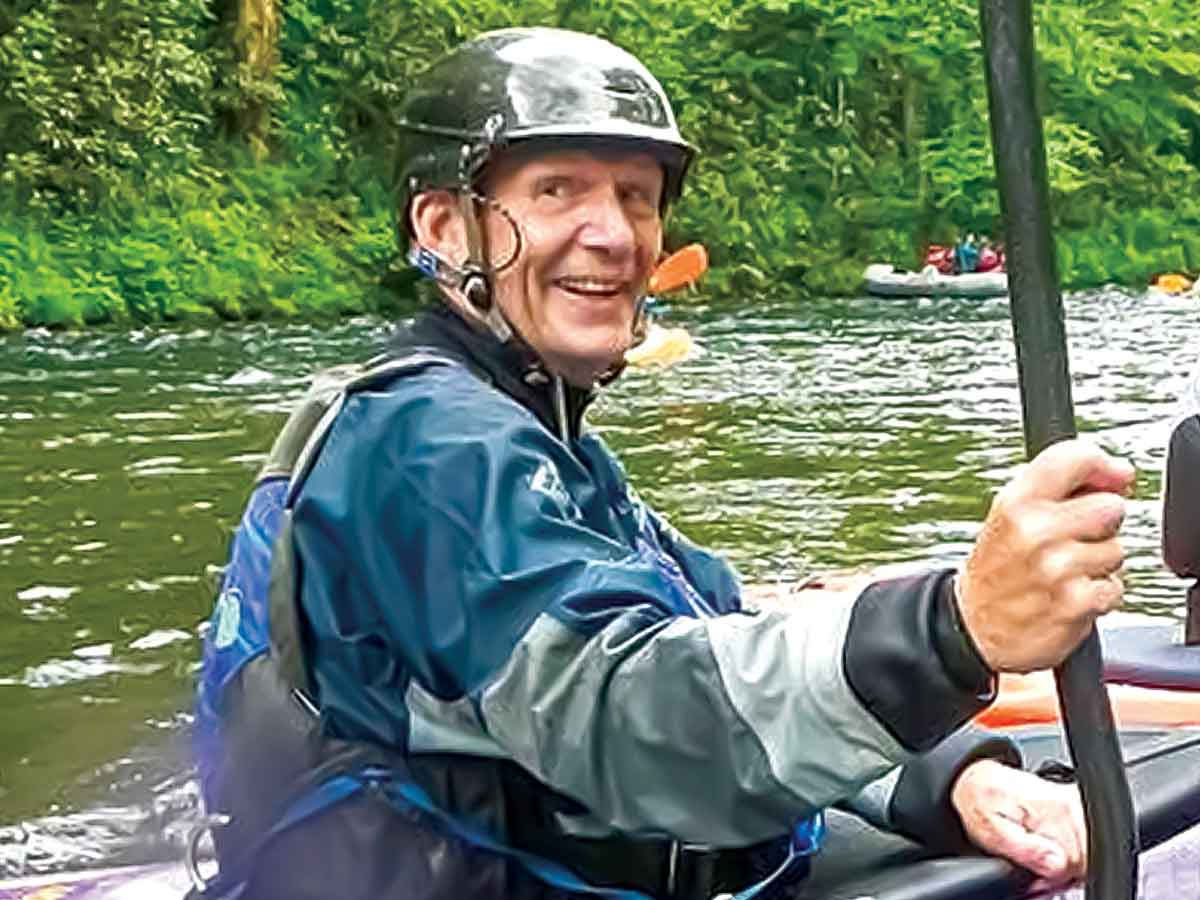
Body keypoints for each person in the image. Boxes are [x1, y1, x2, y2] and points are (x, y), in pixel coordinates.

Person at [193, 28, 1133, 900]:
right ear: (443, 227)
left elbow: (710, 627)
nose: (614, 235)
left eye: (635, 196)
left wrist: (946, 776)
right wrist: (954, 630)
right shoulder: (426, 445)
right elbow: (639, 724)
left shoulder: (538, 439)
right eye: (558, 189)